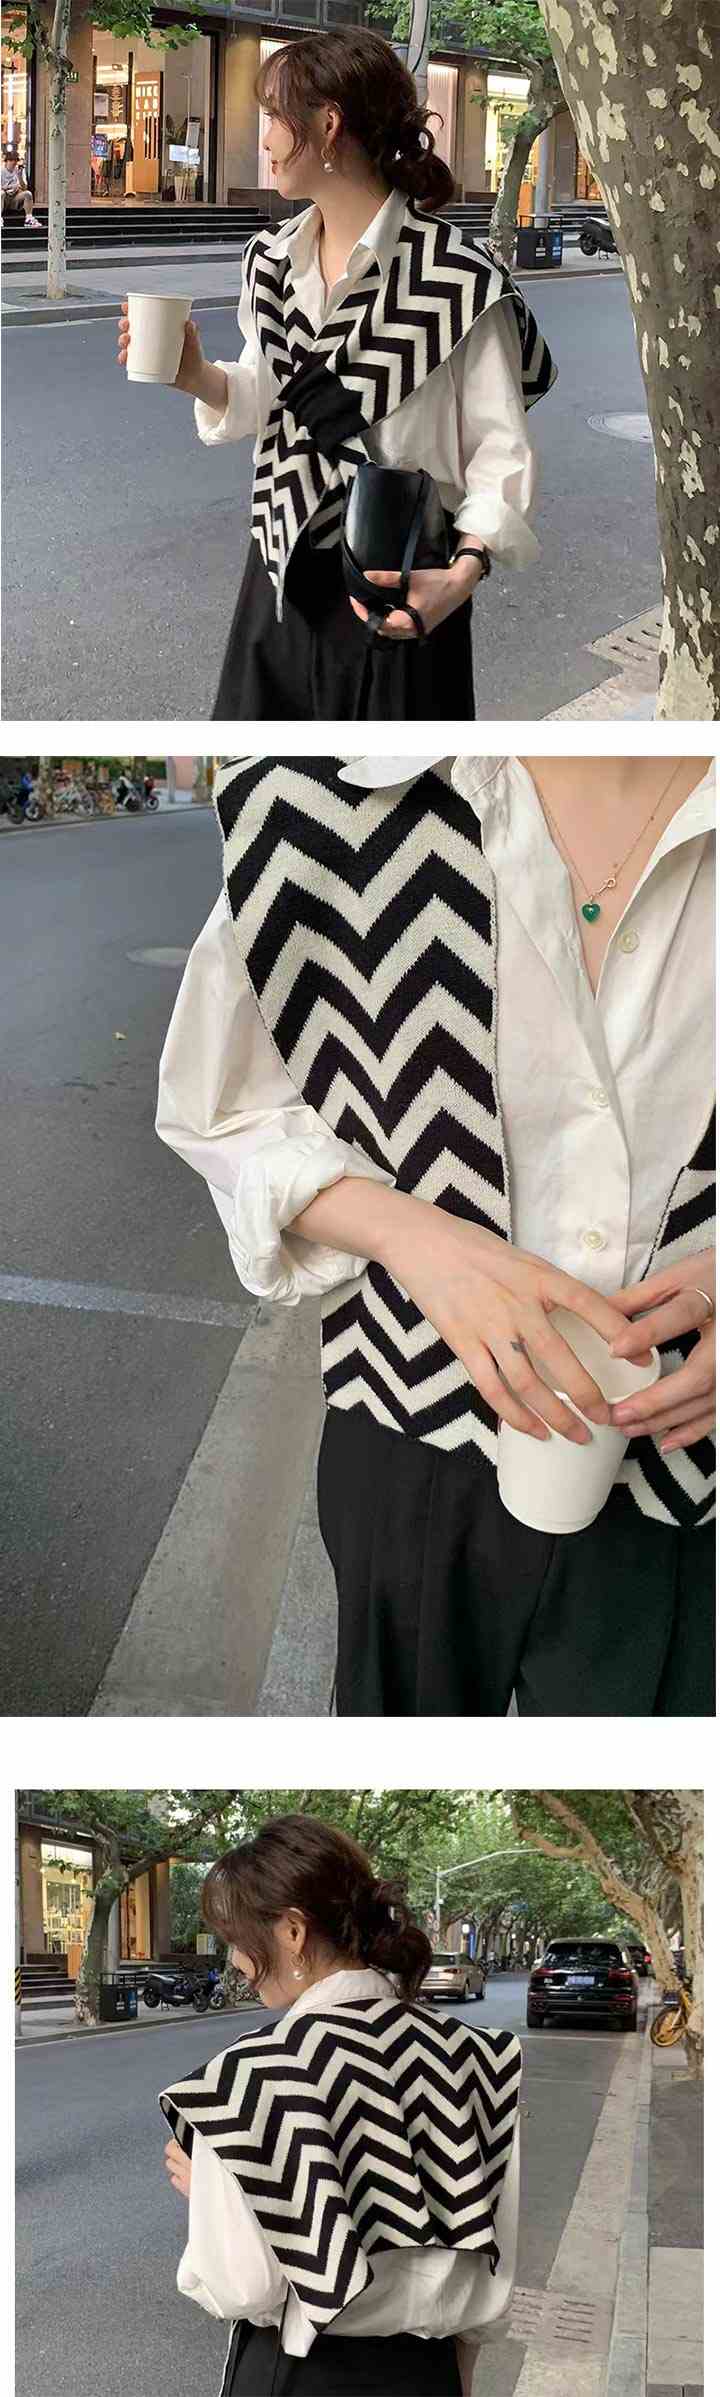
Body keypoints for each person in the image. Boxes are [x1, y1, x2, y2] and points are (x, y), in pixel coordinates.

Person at [155, 753, 715, 1718]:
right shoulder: (311, 797)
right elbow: (220, 1110)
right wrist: (412, 1235)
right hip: (410, 1421)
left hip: (687, 1464)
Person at [116, 29, 555, 722]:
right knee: (263, 773)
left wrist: (460, 576)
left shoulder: (454, 278)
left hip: (399, 582)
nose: (264, 139)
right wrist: (195, 375)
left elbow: (501, 451)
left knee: (394, 787)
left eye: (273, 117)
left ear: (327, 125)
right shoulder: (270, 261)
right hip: (278, 569)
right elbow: (273, 399)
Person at [159, 1814, 522, 2397]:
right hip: (429, 2375)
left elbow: (245, 2287)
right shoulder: (479, 2055)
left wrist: (216, 2194)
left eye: (237, 1939)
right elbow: (488, 2254)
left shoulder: (252, 2074)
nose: (236, 1961)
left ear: (292, 1931)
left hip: (306, 2376)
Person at [1, 144, 41, 228]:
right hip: (3, 198)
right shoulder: (1, 171)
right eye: (11, 160)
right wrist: (8, 188)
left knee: (28, 194)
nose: (13, 163)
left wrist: (19, 177)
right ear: (6, 161)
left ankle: (29, 219)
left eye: (15, 161)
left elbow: (24, 188)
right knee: (1, 193)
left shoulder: (18, 171)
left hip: (14, 199)